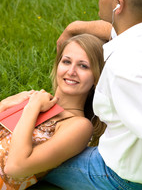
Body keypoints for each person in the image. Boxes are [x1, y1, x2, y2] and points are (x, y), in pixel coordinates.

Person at [44, 0, 142, 190]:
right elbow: (114, 30)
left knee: (29, 154)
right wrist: (74, 27)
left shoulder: (126, 68)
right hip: (133, 164)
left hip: (118, 178)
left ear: (118, 4)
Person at [0, 33, 105, 189]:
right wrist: (5, 104)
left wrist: (32, 109)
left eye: (83, 66)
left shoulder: (78, 126)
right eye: (66, 61)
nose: (71, 71)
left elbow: (15, 167)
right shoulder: (33, 98)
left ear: (96, 78)